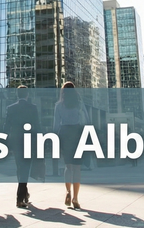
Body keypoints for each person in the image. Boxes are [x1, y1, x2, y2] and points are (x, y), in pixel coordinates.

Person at [4, 85, 41, 209]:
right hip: (28, 141)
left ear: (17, 94)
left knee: (20, 167)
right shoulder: (33, 108)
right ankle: (20, 199)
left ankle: (24, 193)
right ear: (27, 95)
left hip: (15, 141)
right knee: (25, 168)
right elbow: (37, 126)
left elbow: (6, 126)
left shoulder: (11, 108)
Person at [54, 82, 87, 210]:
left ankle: (68, 191)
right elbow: (87, 120)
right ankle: (76, 198)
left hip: (64, 134)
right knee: (77, 168)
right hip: (77, 133)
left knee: (68, 166)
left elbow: (56, 125)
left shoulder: (58, 105)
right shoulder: (79, 104)